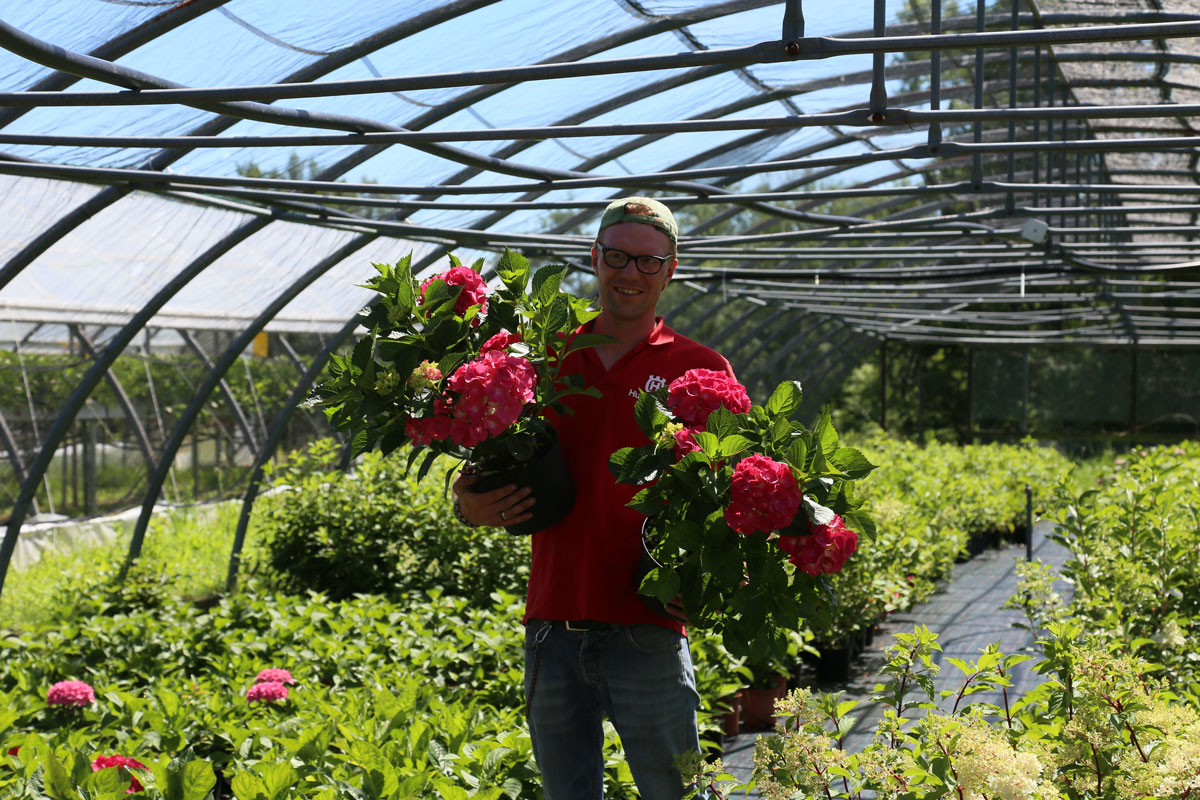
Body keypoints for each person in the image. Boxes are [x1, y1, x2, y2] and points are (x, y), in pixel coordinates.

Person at [453, 197, 734, 800]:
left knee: (674, 793)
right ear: (594, 259)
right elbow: (484, 467)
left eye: (649, 261)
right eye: (617, 256)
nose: (631, 273)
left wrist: (709, 573)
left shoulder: (701, 369)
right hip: (553, 623)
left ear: (672, 269)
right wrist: (467, 503)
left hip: (649, 628)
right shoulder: (539, 361)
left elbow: (731, 496)